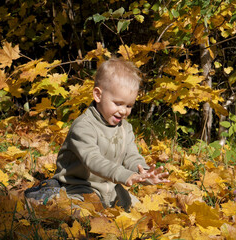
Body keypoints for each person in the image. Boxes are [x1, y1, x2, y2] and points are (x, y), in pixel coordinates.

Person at [25, 57, 169, 210]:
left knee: (138, 209)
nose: (123, 110)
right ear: (98, 95)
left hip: (110, 188)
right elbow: (93, 160)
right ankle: (46, 194)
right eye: (118, 103)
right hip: (79, 187)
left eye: (129, 105)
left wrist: (144, 173)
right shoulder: (83, 126)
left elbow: (132, 157)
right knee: (79, 212)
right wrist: (125, 175)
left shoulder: (125, 128)